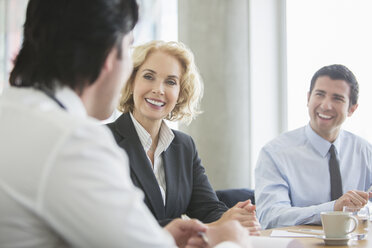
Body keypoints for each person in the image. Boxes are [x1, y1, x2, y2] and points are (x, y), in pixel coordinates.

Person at [0, 0, 252, 247]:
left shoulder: (13, 115)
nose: (158, 90)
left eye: (171, 82)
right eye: (128, 47)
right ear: (110, 55)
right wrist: (229, 242)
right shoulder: (74, 142)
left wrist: (161, 237)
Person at [107, 40, 261, 235]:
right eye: (148, 76)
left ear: (180, 93)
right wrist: (215, 227)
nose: (159, 89)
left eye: (170, 82)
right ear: (131, 81)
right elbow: (119, 223)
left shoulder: (184, 146)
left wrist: (234, 218)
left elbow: (208, 208)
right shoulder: (104, 141)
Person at [255, 64, 372, 229]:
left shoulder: (365, 151)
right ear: (308, 98)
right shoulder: (274, 153)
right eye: (320, 94)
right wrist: (333, 209)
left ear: (352, 109)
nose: (325, 105)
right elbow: (270, 217)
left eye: (337, 98)